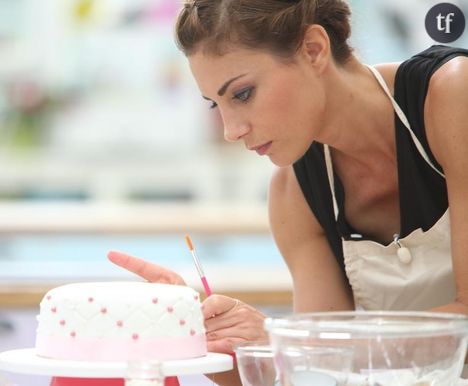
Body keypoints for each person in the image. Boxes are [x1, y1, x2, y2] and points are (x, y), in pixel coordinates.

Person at [107, 0, 468, 385]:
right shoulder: (294, 192)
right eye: (217, 103)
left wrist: (288, 341)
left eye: (242, 94)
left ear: (313, 49)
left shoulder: (453, 95)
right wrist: (204, 338)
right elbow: (319, 376)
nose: (231, 130)